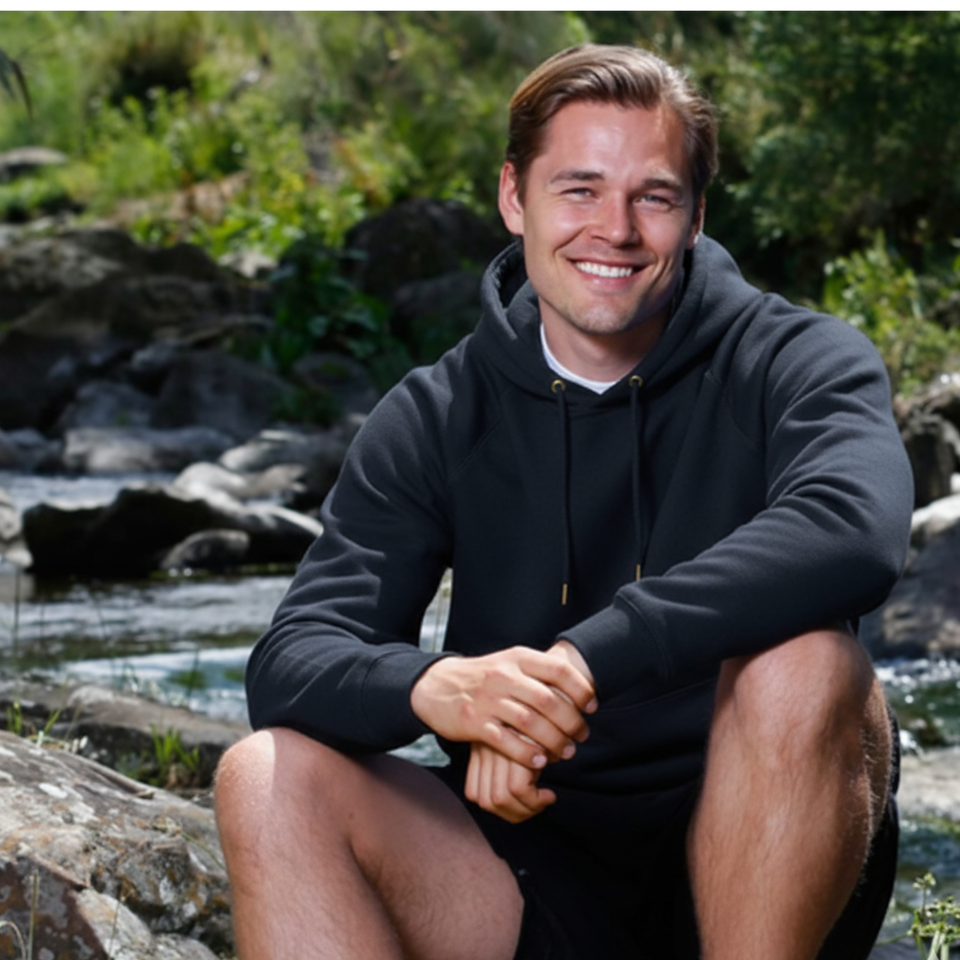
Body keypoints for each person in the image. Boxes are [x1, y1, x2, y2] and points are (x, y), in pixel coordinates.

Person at [214, 43, 914, 960]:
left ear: (696, 215)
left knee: (809, 663)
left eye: (653, 197)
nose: (614, 230)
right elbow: (291, 661)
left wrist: (581, 664)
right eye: (579, 190)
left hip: (759, 861)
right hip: (517, 873)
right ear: (515, 198)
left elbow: (853, 532)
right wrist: (443, 691)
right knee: (264, 775)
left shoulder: (796, 359)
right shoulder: (435, 412)